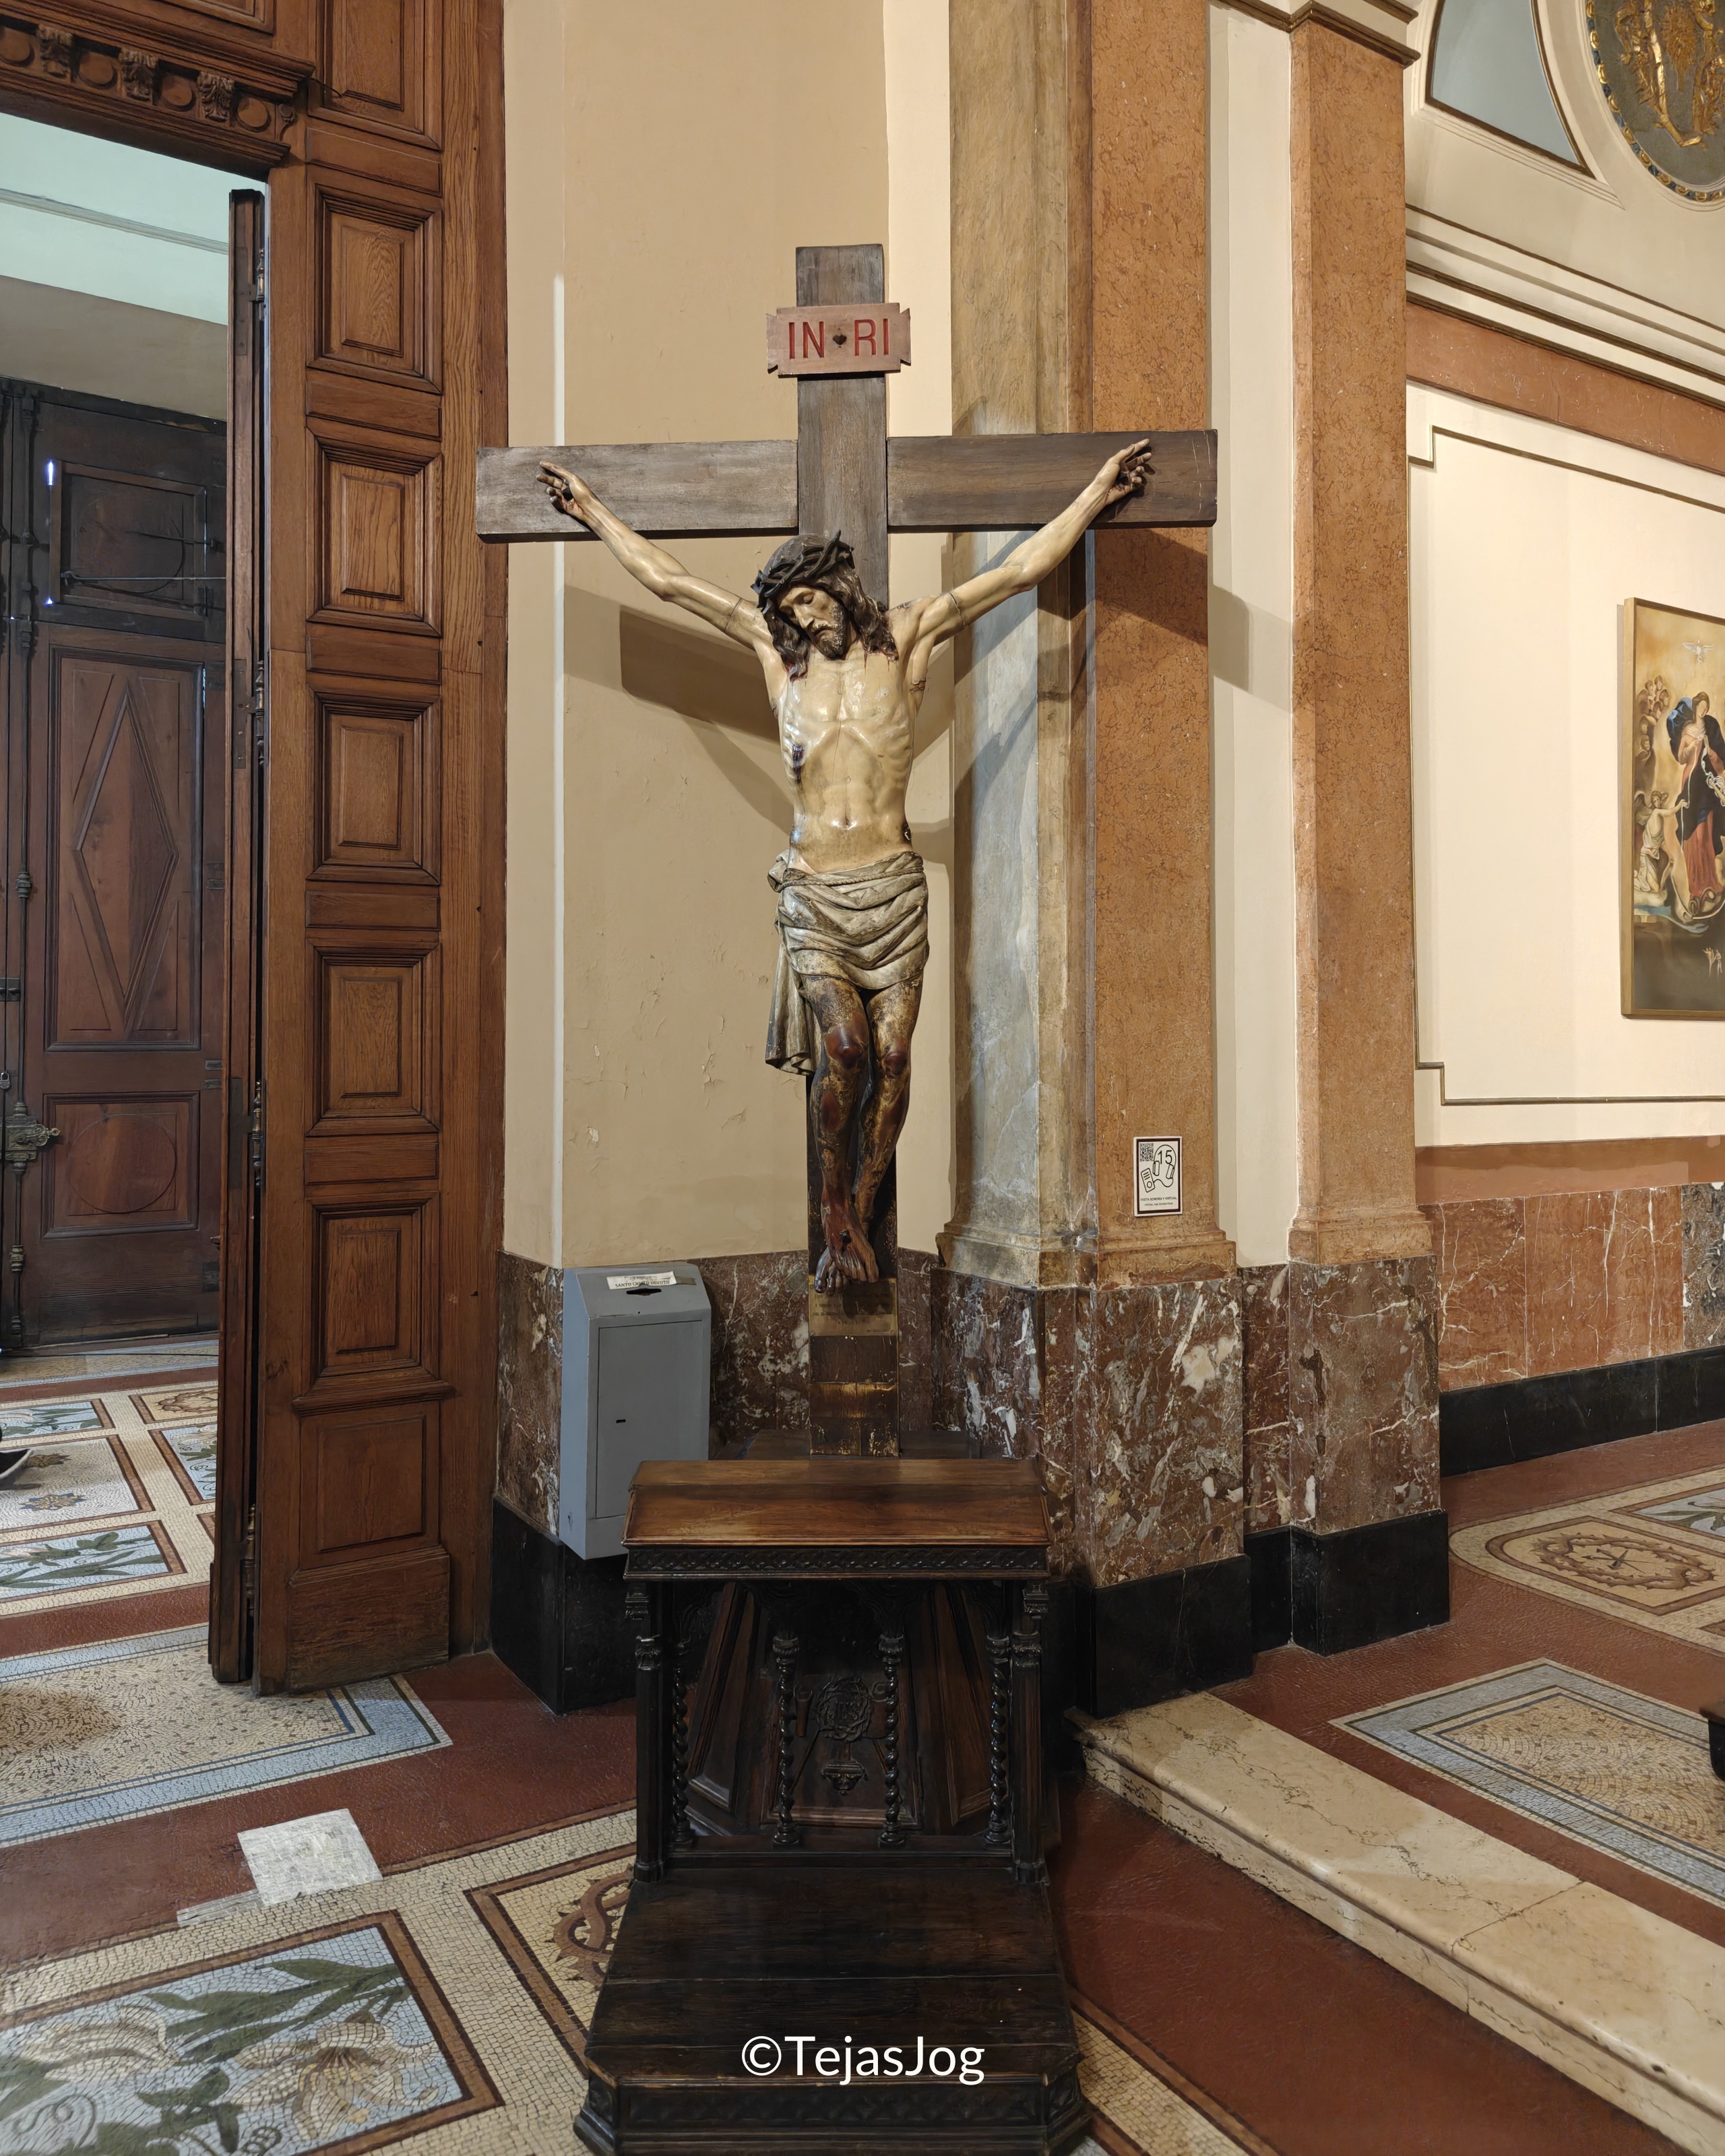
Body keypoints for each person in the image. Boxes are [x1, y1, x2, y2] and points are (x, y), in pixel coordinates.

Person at [538, 441, 1152, 1288]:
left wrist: (1090, 498)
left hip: (893, 890)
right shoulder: (776, 657)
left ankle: (856, 1211)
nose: (805, 616)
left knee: (894, 1059)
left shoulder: (905, 638)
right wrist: (595, 512)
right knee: (844, 1046)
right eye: (791, 606)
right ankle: (833, 1206)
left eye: (812, 597)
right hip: (818, 893)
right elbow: (673, 583)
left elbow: (1013, 575)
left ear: (839, 589)